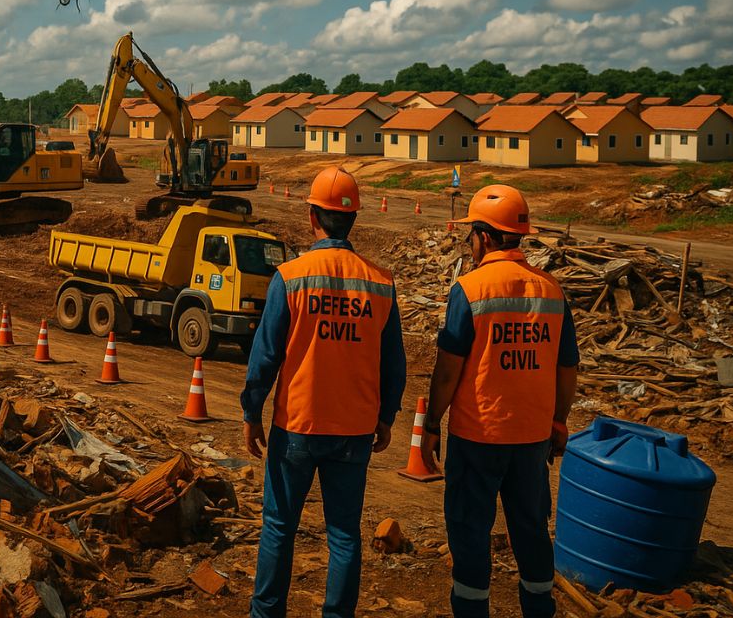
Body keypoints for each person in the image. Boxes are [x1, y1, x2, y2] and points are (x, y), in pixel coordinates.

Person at [241, 166, 407, 618]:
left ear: (313, 216)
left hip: (297, 425)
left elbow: (265, 356)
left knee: (278, 527)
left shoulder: (291, 276)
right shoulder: (380, 283)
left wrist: (251, 412)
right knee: (345, 535)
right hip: (353, 432)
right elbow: (394, 362)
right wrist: (387, 415)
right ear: (353, 220)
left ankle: (266, 612)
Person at [420, 184, 579, 618]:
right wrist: (559, 421)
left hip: (478, 437)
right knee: (530, 531)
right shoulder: (552, 291)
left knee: (470, 531)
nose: (469, 244)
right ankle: (538, 608)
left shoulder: (470, 289)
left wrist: (432, 423)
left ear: (485, 236)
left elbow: (448, 369)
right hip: (531, 438)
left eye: (470, 235)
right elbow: (567, 370)